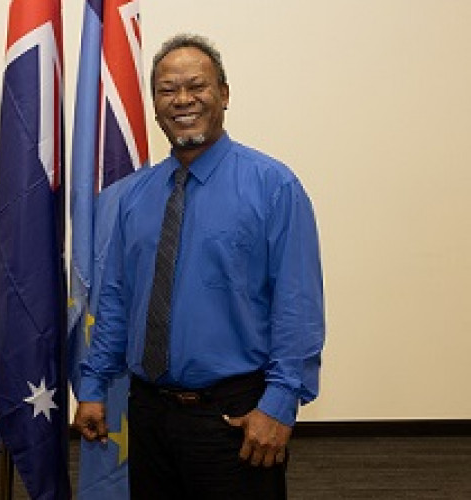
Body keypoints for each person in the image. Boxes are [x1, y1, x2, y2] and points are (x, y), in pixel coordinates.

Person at [73, 34, 325, 499]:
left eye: (197, 86)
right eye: (168, 90)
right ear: (154, 105)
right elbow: (115, 301)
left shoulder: (273, 187)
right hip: (148, 415)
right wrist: (92, 386)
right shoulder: (134, 198)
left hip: (235, 418)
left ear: (224, 94)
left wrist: (280, 403)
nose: (183, 99)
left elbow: (298, 307)